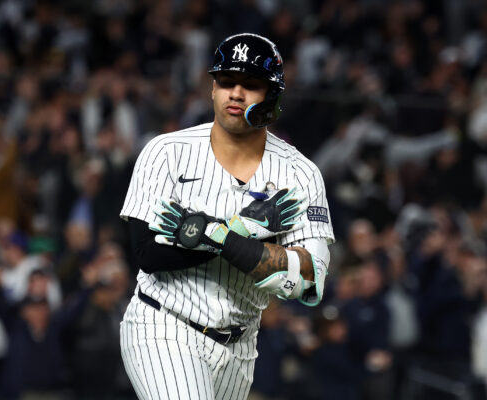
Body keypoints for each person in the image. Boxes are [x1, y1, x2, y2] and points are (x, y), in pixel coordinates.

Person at [118, 33, 335, 400]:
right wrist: (238, 230)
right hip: (164, 324)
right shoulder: (166, 152)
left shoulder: (300, 174)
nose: (236, 93)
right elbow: (147, 254)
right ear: (213, 89)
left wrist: (210, 234)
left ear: (273, 97)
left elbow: (308, 279)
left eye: (250, 84)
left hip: (241, 344)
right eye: (226, 81)